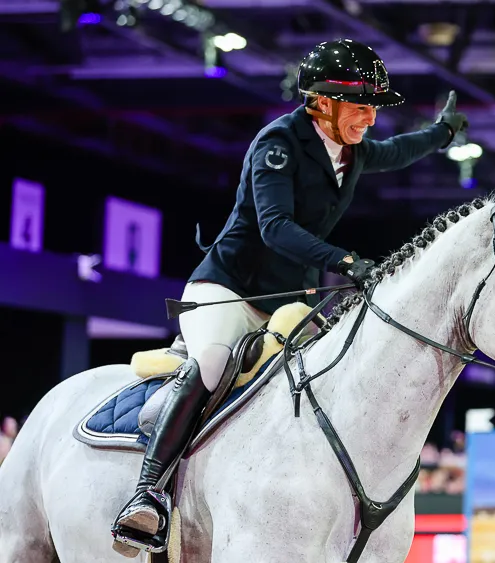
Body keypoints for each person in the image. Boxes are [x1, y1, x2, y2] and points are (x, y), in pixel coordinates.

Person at [110, 38, 468, 556]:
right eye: (360, 105)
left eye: (373, 107)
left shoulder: (352, 149)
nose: (370, 118)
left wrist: (442, 133)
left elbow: (396, 152)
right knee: (213, 365)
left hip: (286, 300)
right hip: (229, 289)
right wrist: (347, 261)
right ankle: (147, 494)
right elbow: (275, 227)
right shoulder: (278, 143)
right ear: (321, 102)